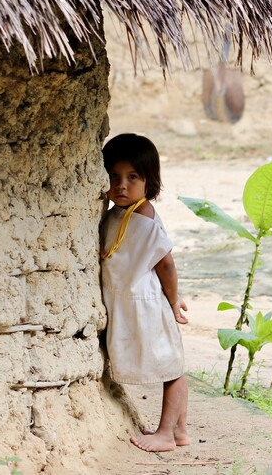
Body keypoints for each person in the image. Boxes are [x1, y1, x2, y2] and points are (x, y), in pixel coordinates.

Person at [100, 133, 190, 452]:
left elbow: (166, 265)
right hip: (132, 302)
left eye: (132, 177)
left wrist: (174, 300)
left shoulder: (144, 217)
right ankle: (179, 431)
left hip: (148, 305)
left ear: (149, 181)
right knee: (171, 364)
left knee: (172, 370)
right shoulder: (119, 213)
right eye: (114, 176)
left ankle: (166, 434)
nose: (121, 184)